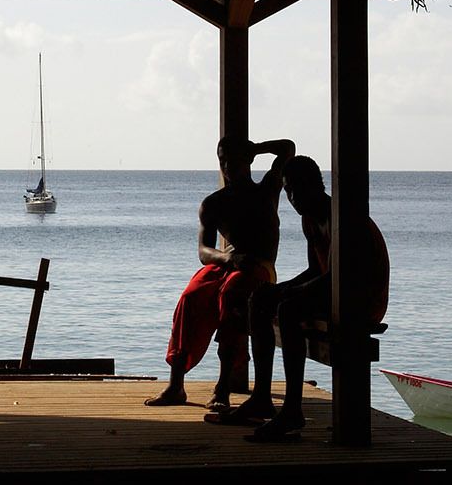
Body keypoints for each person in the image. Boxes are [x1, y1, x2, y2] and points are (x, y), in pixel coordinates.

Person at [145, 135, 295, 413]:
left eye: (234, 160)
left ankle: (223, 386)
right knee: (191, 296)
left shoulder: (266, 190)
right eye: (223, 160)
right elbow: (204, 251)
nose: (228, 166)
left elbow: (287, 148)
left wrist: (253, 149)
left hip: (259, 268)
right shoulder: (214, 203)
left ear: (248, 160)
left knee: (233, 295)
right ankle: (176, 384)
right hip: (227, 263)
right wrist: (228, 257)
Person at [246, 156, 390, 443]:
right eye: (288, 191)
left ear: (317, 185)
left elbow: (341, 277)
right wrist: (279, 287)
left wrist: (288, 293)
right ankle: (262, 396)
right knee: (259, 299)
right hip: (334, 291)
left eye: (298, 188)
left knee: (287, 309)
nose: (293, 197)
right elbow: (316, 269)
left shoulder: (341, 217)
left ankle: (291, 410)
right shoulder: (310, 219)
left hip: (361, 300)